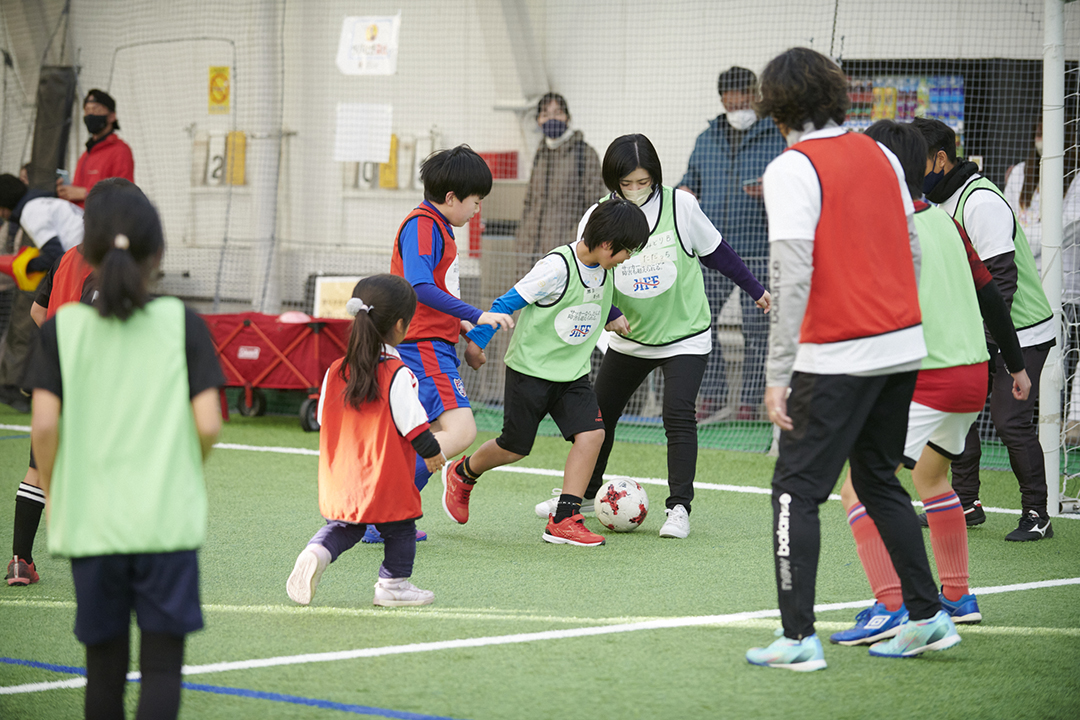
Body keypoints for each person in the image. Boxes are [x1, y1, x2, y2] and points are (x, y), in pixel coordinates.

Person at [745, 47, 957, 671]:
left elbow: (791, 273)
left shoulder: (792, 167)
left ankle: (798, 637)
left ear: (777, 105)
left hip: (835, 353)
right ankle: (927, 615)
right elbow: (912, 249)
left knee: (793, 490)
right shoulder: (884, 155)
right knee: (876, 478)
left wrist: (778, 372)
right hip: (900, 346)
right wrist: (897, 322)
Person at [830, 120, 1030, 645]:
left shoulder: (885, 227)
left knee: (858, 486)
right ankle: (959, 597)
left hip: (928, 376)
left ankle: (891, 606)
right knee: (932, 480)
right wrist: (1015, 364)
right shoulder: (946, 220)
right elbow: (990, 297)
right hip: (970, 376)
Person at [26, 186, 223, 718]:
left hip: (93, 524)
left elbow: (44, 425)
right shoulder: (184, 324)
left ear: (84, 254)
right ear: (157, 255)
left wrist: (52, 487)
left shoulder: (62, 330)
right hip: (166, 523)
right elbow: (208, 423)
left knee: (103, 672)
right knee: (161, 669)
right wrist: (181, 466)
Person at [534, 134, 770, 540]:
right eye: (627, 183)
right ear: (614, 181)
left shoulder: (681, 206)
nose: (636, 190)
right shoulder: (598, 214)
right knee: (599, 417)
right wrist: (609, 313)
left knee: (678, 414)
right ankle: (585, 495)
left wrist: (756, 290)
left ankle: (679, 508)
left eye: (644, 182)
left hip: (685, 336)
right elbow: (586, 271)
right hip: (630, 339)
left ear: (655, 177)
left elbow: (718, 252)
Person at [441, 198, 650, 546]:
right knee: (514, 447)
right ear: (606, 245)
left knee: (592, 434)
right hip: (531, 372)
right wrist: (477, 344)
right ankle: (463, 473)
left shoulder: (604, 267)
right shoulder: (555, 268)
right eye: (626, 251)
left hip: (572, 375)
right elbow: (507, 302)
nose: (628, 258)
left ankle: (564, 518)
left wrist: (611, 312)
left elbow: (595, 291)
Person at [914, 117, 1056, 541]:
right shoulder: (940, 200)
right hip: (978, 330)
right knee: (960, 414)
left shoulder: (980, 202)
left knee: (1010, 421)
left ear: (940, 159)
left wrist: (994, 347)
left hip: (1021, 330)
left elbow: (1002, 283)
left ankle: (1037, 514)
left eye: (914, 160)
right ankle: (966, 502)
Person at [287, 274, 445, 607]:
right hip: (383, 473)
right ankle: (393, 586)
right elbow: (414, 425)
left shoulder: (335, 369)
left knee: (347, 526)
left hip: (341, 473)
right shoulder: (398, 373)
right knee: (401, 529)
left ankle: (315, 552)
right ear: (401, 325)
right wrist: (432, 454)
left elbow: (321, 418)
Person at [386, 145, 514, 543]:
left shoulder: (438, 227)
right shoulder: (423, 226)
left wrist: (462, 328)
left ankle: (386, 514)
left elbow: (433, 289)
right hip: (422, 347)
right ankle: (387, 510)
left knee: (426, 432)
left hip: (432, 343)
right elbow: (420, 287)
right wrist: (476, 315)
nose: (478, 210)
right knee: (460, 433)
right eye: (476, 201)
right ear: (452, 198)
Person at [6, 179, 127, 588]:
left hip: (49, 377)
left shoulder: (69, 257)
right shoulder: (113, 266)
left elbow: (38, 314)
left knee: (37, 470)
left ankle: (20, 562)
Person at [678, 66, 786, 421]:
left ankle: (750, 402)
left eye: (742, 96)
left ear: (755, 96)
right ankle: (711, 393)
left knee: (758, 326)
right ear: (722, 98)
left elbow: (792, 186)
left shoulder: (777, 136)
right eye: (729, 97)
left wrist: (771, 192)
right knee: (700, 319)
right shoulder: (707, 138)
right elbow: (689, 178)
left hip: (759, 248)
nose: (736, 103)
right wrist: (685, 191)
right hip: (711, 250)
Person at [1002, 120, 1080, 446]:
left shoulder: (1076, 178)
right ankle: (1034, 423)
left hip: (1067, 289)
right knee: (1036, 358)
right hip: (1025, 290)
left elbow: (1059, 233)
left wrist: (1025, 235)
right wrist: (1030, 235)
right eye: (1039, 133)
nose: (1042, 140)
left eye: (1049, 135)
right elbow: (1006, 225)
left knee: (1065, 358)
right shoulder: (1020, 173)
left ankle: (1072, 420)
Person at [0, 173, 84, 414]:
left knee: (47, 318)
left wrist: (25, 265)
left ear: (5, 207)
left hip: (79, 266)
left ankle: (45, 384)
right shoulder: (45, 203)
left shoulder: (31, 212)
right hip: (87, 263)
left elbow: (53, 254)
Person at [515, 93, 607, 276]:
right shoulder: (541, 154)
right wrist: (521, 237)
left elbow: (596, 205)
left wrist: (575, 240)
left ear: (568, 117)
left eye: (557, 112)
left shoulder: (584, 153)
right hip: (531, 253)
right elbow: (529, 202)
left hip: (568, 252)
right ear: (538, 120)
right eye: (545, 114)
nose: (552, 118)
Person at [56, 89, 135, 208]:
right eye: (87, 111)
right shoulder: (86, 154)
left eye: (96, 109)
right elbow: (77, 194)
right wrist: (65, 192)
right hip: (80, 221)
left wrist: (86, 193)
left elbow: (124, 195)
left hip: (103, 223)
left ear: (112, 116)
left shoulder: (120, 151)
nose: (91, 114)